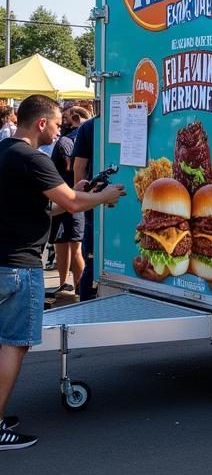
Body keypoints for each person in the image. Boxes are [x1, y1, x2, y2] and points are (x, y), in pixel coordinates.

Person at [1, 95, 126, 449]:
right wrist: (104, 197)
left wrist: (82, 191)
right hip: (19, 267)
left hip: (3, 261)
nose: (60, 130)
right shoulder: (31, 158)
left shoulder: (5, 152)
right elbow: (70, 204)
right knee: (13, 345)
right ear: (41, 123)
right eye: (56, 124)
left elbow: (50, 207)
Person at [47, 107, 89, 300]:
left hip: (70, 197)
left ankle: (78, 285)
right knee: (66, 243)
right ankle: (70, 284)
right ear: (77, 119)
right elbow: (70, 166)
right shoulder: (67, 140)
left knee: (73, 245)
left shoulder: (74, 138)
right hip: (67, 196)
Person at [71, 112, 97, 300]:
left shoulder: (88, 127)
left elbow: (79, 166)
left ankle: (85, 302)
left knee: (92, 260)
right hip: (95, 203)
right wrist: (78, 198)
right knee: (91, 260)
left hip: (95, 204)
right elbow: (79, 166)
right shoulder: (89, 127)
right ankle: (85, 302)